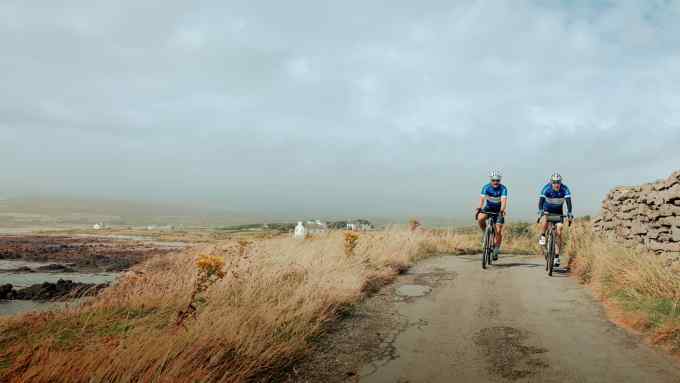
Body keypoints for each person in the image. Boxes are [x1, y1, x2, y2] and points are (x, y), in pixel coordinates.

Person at [537, 172, 573, 267]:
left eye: (558, 182)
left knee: (559, 230)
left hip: (558, 212)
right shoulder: (546, 189)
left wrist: (569, 213)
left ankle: (557, 257)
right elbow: (540, 202)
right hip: (547, 210)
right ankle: (543, 236)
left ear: (561, 182)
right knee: (545, 221)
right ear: (551, 182)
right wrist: (541, 210)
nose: (556, 184)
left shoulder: (565, 189)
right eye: (554, 182)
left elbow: (569, 203)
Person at [476, 170, 508, 260]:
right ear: (490, 180)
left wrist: (502, 210)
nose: (495, 182)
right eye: (493, 180)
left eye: (497, 180)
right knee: (480, 219)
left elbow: (504, 201)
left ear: (500, 181)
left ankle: (496, 250)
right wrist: (479, 207)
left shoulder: (503, 189)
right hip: (488, 208)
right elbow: (482, 199)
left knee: (498, 231)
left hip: (498, 210)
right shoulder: (486, 187)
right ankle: (485, 233)